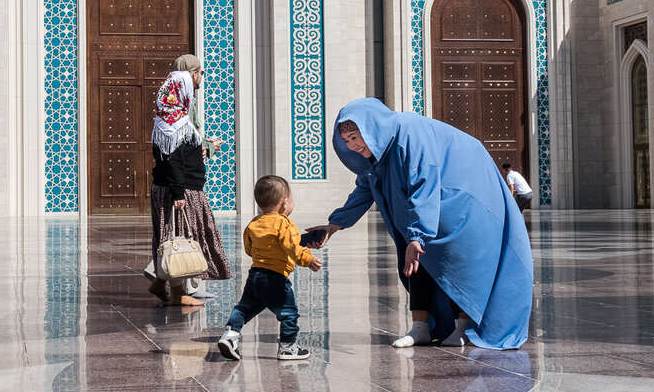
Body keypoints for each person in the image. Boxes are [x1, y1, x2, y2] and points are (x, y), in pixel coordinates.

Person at [305, 99, 533, 350]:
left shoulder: (410, 135)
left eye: (355, 137)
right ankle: (420, 327)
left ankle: (464, 326)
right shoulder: (379, 152)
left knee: (459, 260)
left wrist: (418, 236)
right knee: (417, 263)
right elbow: (364, 189)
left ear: (371, 128)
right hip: (427, 203)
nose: (353, 145)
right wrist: (333, 226)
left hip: (464, 193)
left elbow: (423, 183)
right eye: (346, 141)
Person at [146, 66, 232, 306]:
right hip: (180, 191)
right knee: (178, 237)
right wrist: (178, 193)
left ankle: (159, 283)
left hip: (183, 188)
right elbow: (173, 161)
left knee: (174, 237)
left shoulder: (171, 122)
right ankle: (177, 294)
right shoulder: (173, 126)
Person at [217, 176, 322, 361]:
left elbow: (249, 249)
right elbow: (293, 248)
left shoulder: (254, 223)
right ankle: (288, 347)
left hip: (256, 275)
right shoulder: (285, 223)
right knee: (289, 314)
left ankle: (230, 336)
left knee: (243, 309)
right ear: (284, 203)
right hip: (276, 278)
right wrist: (308, 259)